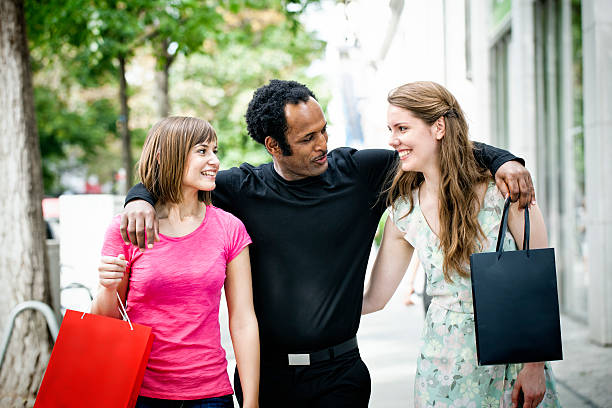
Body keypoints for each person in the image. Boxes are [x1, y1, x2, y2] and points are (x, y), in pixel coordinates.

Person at [122, 80, 535, 407]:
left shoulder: (361, 173)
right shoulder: (240, 188)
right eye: (307, 139)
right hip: (267, 378)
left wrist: (504, 160)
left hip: (341, 375)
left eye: (323, 131)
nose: (322, 144)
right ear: (273, 146)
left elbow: (436, 150)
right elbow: (175, 179)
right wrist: (138, 197)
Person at [362, 81, 561, 407]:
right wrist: (307, 314)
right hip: (441, 366)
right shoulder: (403, 211)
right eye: (390, 128)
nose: (392, 139)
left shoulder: (505, 191)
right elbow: (375, 298)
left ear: (438, 127)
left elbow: (538, 281)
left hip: (508, 360)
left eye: (402, 128)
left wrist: (535, 366)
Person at [91, 117, 260, 408]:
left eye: (215, 151)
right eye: (202, 151)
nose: (215, 161)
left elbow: (243, 320)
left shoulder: (229, 228)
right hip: (140, 392)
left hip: (210, 394)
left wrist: (252, 401)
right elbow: (106, 320)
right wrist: (107, 287)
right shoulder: (129, 227)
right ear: (167, 155)